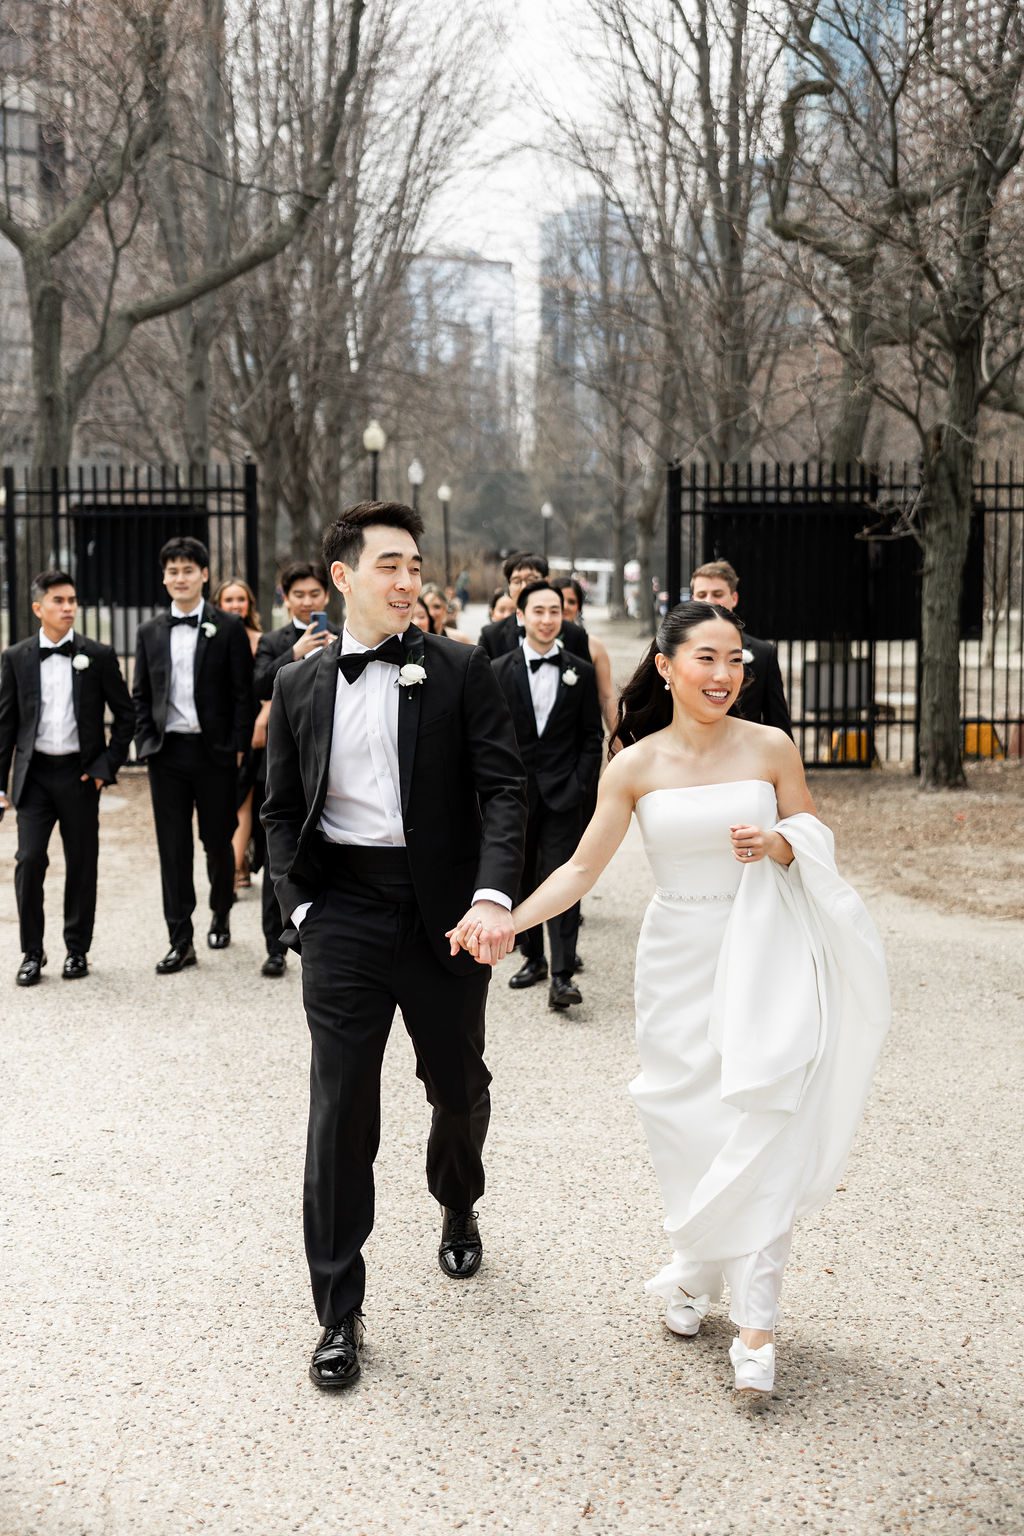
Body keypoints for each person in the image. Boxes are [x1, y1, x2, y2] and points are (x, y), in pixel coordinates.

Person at [450, 601, 889, 1399]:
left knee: (763, 1118)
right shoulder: (635, 765)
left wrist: (781, 844)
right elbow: (582, 869)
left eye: (735, 661)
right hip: (677, 955)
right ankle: (695, 1265)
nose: (725, 675)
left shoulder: (771, 746)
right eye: (707, 660)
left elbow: (815, 839)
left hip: (767, 946)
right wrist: (508, 919)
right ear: (666, 664)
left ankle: (758, 1321)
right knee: (684, 1119)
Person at [262, 500, 526, 1391]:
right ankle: (337, 1313)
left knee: (458, 1087)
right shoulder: (298, 686)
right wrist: (300, 912)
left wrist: (493, 895)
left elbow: (503, 791)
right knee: (340, 1115)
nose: (409, 582)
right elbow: (279, 813)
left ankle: (457, 1200)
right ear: (342, 578)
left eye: (415, 565)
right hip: (343, 915)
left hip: (448, 917)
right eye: (390, 566)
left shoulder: (459, 671)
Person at [0, 570, 134, 985]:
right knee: (29, 860)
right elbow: (5, 725)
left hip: (79, 776)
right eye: (58, 601)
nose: (68, 607)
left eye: (72, 600)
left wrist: (102, 769)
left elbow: (126, 716)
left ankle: (77, 951)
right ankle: (31, 953)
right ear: (39, 608)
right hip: (34, 776)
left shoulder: (98, 654)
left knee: (82, 863)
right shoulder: (16, 657)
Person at [133, 536, 255, 974]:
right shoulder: (149, 632)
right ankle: (179, 937)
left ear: (204, 575)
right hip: (166, 754)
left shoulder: (227, 627)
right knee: (173, 847)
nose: (179, 577)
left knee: (217, 841)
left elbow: (243, 694)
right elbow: (141, 694)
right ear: (164, 578)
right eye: (172, 571)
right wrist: (147, 741)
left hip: (215, 752)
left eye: (188, 570)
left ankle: (220, 910)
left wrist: (238, 748)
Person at [491, 582, 602, 1012]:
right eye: (537, 611)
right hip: (513, 795)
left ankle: (562, 977)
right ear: (520, 616)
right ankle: (533, 958)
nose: (547, 619)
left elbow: (592, 737)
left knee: (563, 881)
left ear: (564, 616)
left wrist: (579, 785)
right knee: (521, 877)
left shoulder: (581, 671)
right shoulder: (497, 669)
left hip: (564, 794)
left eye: (554, 611)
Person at [251, 561, 340, 977]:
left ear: (327, 595)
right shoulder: (273, 641)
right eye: (299, 595)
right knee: (281, 853)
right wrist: (295, 653)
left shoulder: (344, 636)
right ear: (285, 598)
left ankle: (326, 931)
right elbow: (255, 685)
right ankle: (275, 942)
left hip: (332, 759)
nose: (307, 602)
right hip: (287, 758)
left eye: (314, 594)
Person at [690, 562, 793, 735]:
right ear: (693, 599)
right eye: (702, 594)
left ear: (734, 598)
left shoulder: (763, 654)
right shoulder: (675, 649)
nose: (709, 601)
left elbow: (778, 725)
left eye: (717, 594)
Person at [212, 578, 263, 891]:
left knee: (246, 799)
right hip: (224, 732)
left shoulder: (262, 640)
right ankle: (235, 860)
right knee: (227, 800)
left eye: (240, 599)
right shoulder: (212, 640)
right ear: (218, 604)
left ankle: (236, 865)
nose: (235, 606)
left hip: (259, 730)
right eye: (228, 600)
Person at [477, 553, 590, 660]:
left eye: (531, 579)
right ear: (509, 587)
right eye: (517, 581)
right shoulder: (491, 635)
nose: (524, 587)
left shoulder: (575, 634)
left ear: (546, 582)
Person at [557, 577, 617, 736]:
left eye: (571, 601)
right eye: (560, 599)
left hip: (580, 734)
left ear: (579, 608)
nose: (565, 606)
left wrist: (618, 744)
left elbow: (606, 697)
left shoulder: (594, 646)